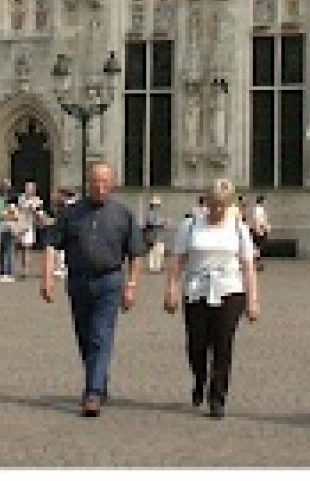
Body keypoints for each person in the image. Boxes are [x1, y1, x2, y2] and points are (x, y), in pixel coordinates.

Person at [43, 161, 145, 418]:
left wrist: (132, 285)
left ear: (113, 184)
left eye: (105, 182)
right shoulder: (71, 213)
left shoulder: (123, 214)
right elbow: (52, 244)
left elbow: (136, 253)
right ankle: (99, 379)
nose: (100, 187)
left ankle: (93, 393)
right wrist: (47, 277)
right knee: (85, 337)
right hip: (78, 281)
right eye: (95, 181)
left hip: (109, 281)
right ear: (88, 183)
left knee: (101, 335)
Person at [163, 178, 261, 419]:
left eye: (222, 205)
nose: (217, 209)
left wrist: (253, 300)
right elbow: (178, 261)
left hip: (230, 291)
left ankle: (217, 397)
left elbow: (248, 266)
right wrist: (172, 289)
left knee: (222, 345)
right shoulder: (190, 225)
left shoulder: (238, 227)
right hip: (196, 290)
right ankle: (199, 378)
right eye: (213, 204)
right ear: (206, 202)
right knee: (196, 344)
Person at [143, 197, 167, 275]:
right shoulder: (150, 213)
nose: (158, 206)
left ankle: (157, 267)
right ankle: (153, 267)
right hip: (153, 235)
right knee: (154, 252)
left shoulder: (156, 213)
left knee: (158, 252)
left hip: (157, 235)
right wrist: (163, 222)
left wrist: (163, 222)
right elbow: (152, 223)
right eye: (156, 204)